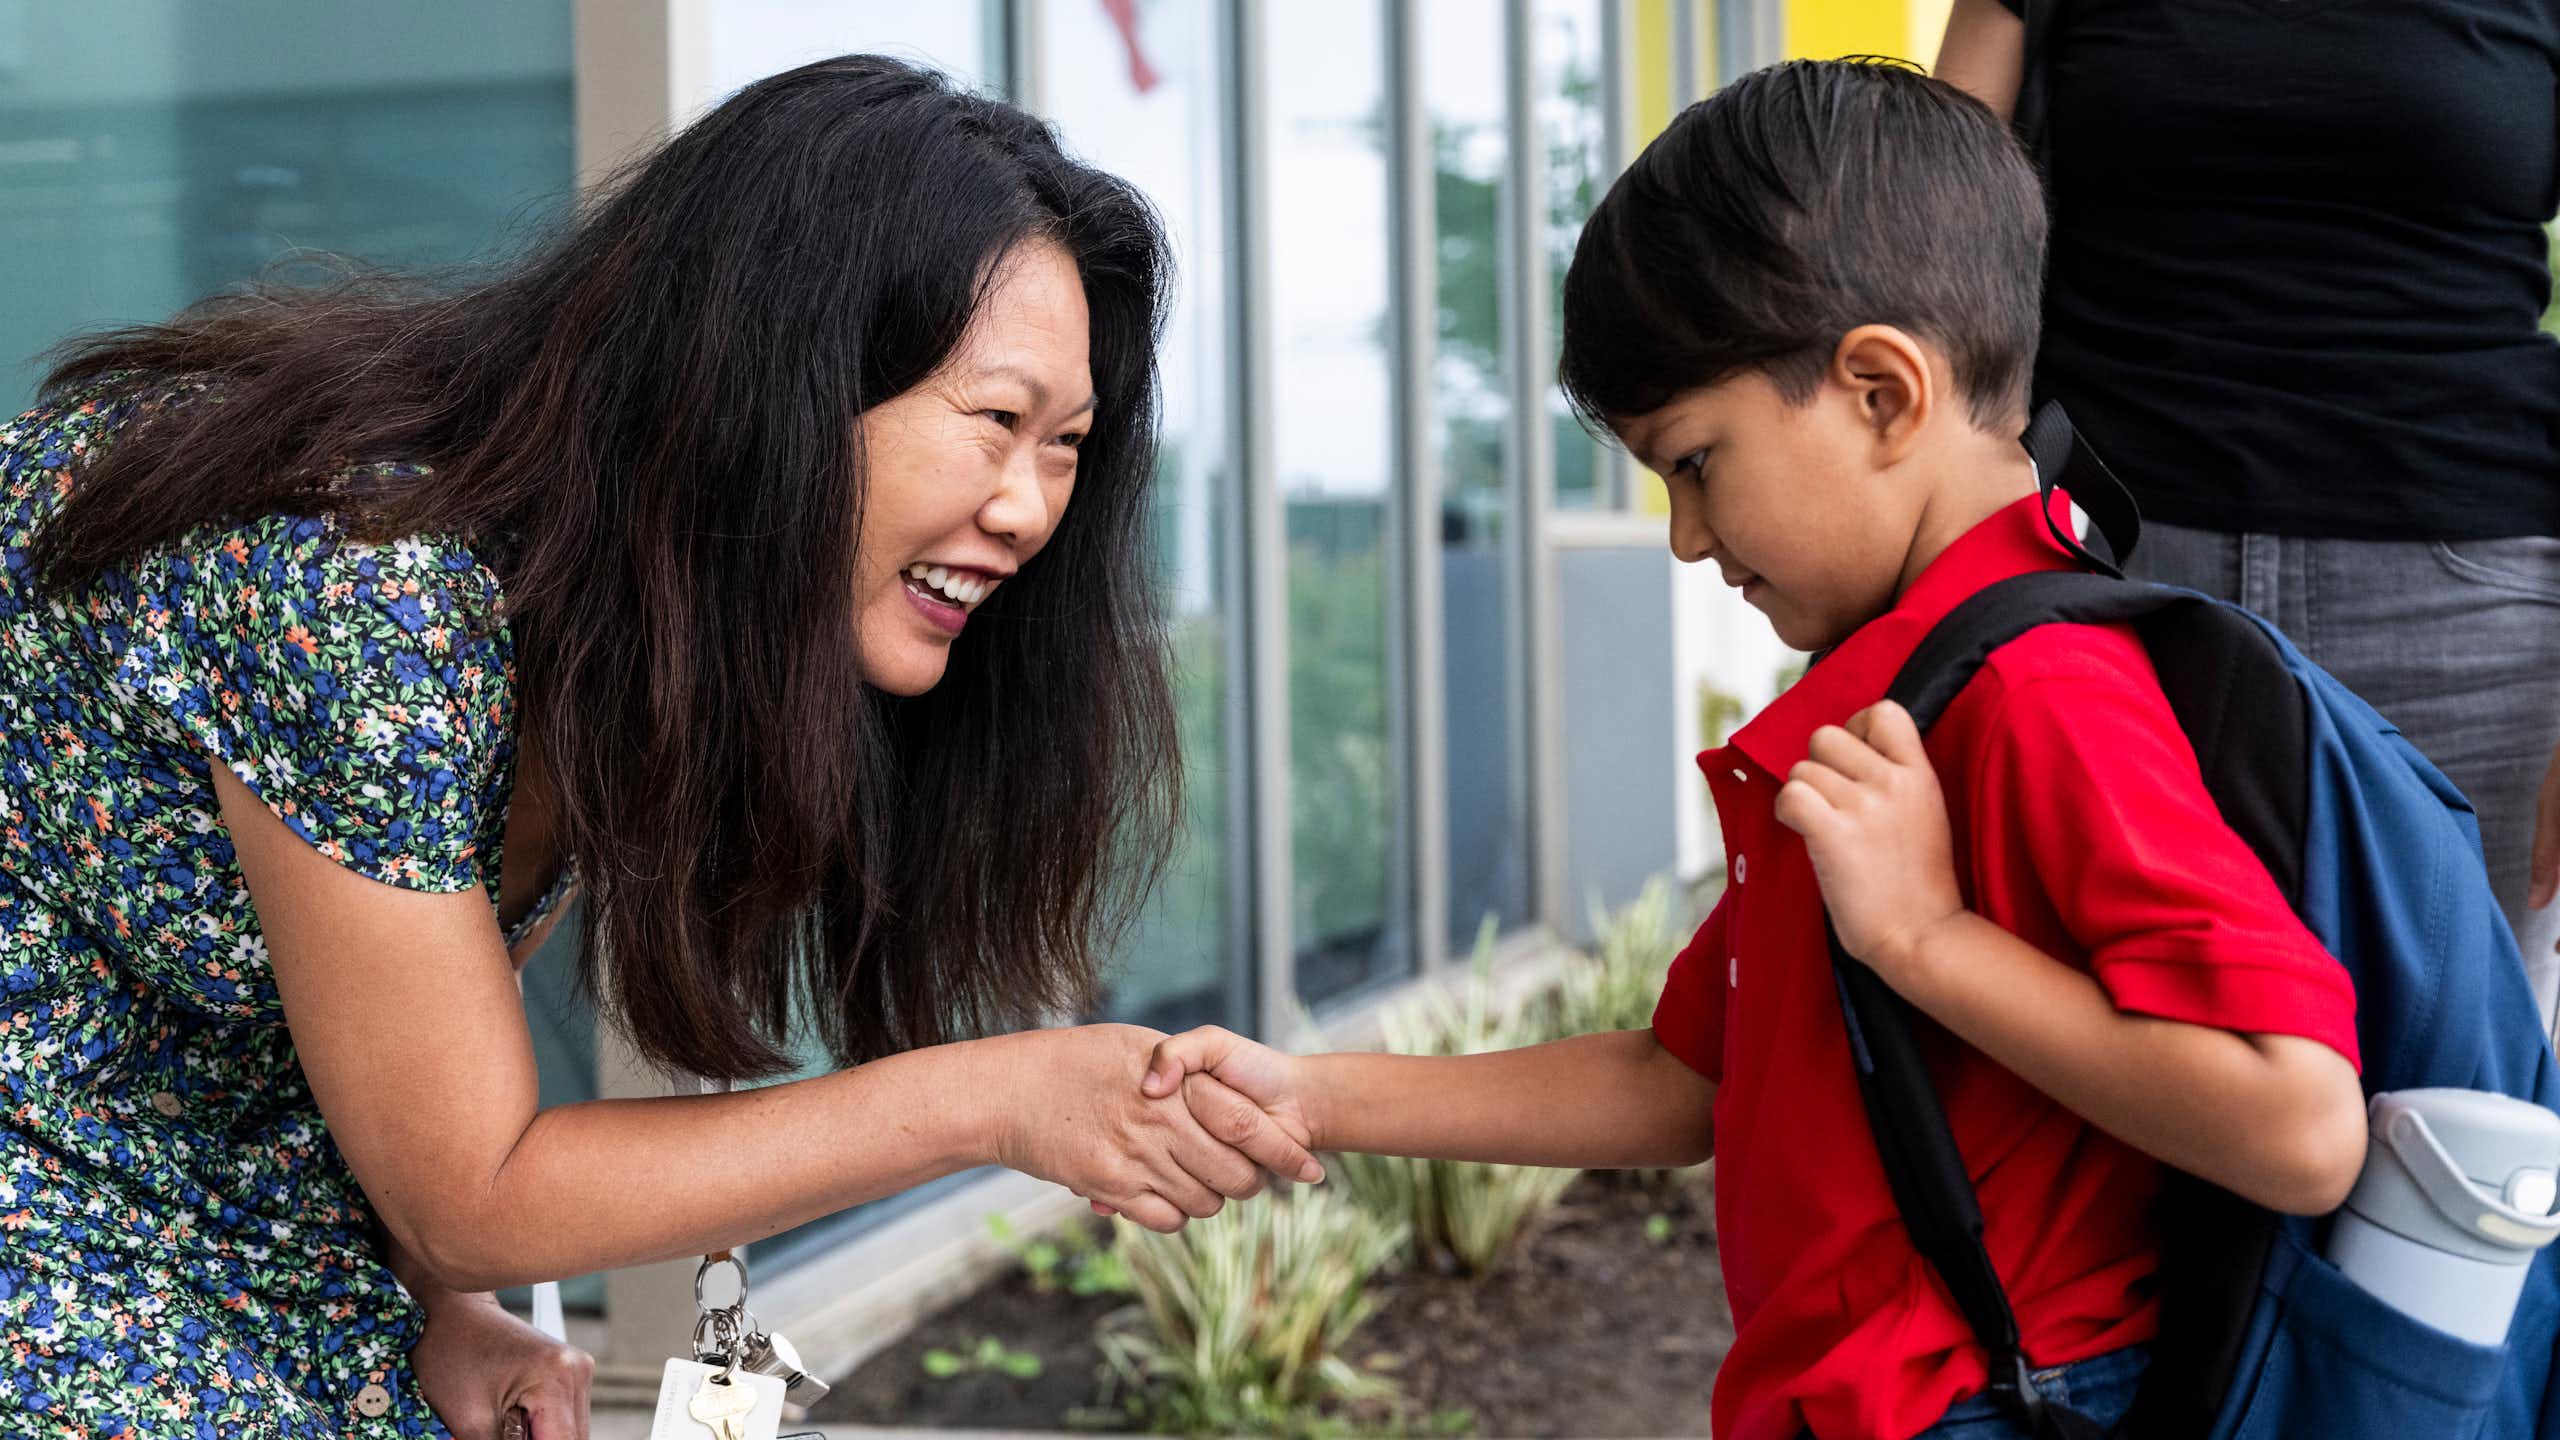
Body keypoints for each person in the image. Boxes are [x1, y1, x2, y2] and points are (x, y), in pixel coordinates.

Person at [0, 56, 1319, 1440]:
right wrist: (996, 1097)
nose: (1029, 511)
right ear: (778, 375)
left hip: (202, 1180)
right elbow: (473, 1192)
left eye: (1068, 445)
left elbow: (377, 1051)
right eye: (997, 422)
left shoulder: (607, 607)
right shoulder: (361, 589)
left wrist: (450, 1315)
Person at [1131, 61, 2369, 1440]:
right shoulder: (1899, 690)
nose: (1686, 536)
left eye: (1698, 462)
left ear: (1883, 394)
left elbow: (2300, 1127)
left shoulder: (2041, 691)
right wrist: (1307, 1092)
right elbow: (1682, 1083)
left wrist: (1925, 940)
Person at [1933, 0, 2560, 1036]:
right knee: (2108, 1123)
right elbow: (1921, 251)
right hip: (2106, 593)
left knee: (2448, 1146)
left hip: (2469, 616)